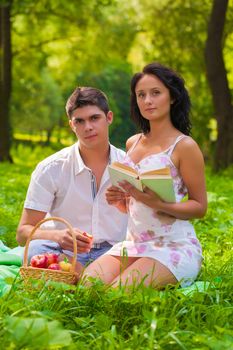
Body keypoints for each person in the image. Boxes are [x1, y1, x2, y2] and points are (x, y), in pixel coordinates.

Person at [83, 62, 207, 288]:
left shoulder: (184, 146)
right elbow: (134, 205)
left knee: (116, 294)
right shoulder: (133, 142)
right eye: (141, 95)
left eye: (156, 93)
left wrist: (158, 204)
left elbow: (200, 207)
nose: (147, 100)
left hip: (173, 246)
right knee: (87, 285)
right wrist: (122, 200)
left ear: (172, 97)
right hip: (134, 244)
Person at [16, 87, 128, 271]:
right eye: (80, 121)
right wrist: (58, 236)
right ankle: (88, 277)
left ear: (109, 118)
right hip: (65, 251)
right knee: (34, 251)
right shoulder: (50, 168)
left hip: (113, 252)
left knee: (143, 256)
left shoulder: (129, 165)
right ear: (71, 125)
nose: (88, 127)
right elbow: (23, 232)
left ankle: (79, 276)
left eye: (94, 118)